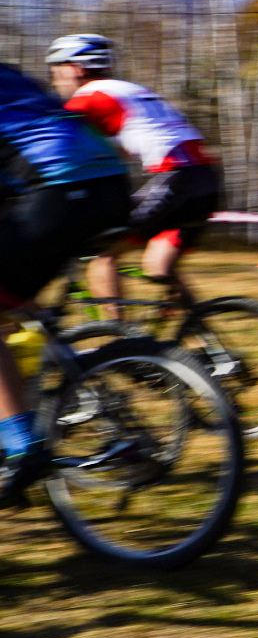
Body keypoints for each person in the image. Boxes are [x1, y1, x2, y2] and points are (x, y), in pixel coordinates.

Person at [0, 61, 133, 508]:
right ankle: (75, 383)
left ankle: (21, 445)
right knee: (15, 295)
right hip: (111, 184)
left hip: (60, 187)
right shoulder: (10, 74)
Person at [46, 34, 222, 316]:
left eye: (56, 71)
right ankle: (208, 349)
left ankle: (120, 350)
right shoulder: (129, 90)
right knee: (159, 266)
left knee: (102, 256)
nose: (55, 81)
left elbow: (52, 147)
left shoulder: (89, 97)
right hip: (207, 180)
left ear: (76, 68)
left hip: (178, 179)